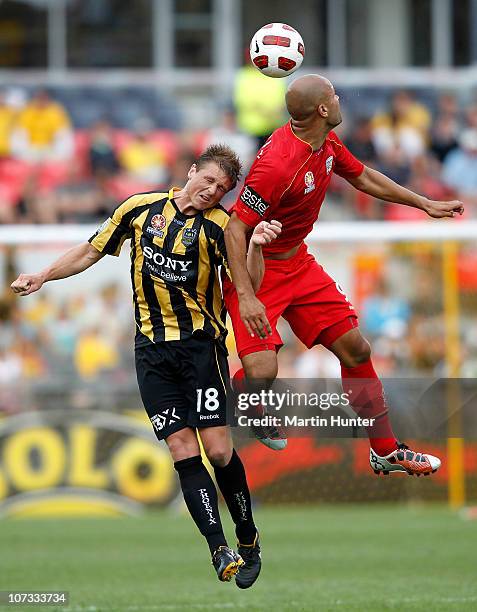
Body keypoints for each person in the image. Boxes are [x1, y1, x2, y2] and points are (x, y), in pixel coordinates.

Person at [11, 144, 282, 586]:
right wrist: (42, 276)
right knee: (182, 450)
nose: (212, 191)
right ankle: (219, 548)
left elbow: (249, 284)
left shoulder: (221, 227)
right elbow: (90, 250)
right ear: (190, 171)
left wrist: (256, 246)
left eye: (222, 188)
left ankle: (248, 536)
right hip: (152, 354)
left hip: (200, 349)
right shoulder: (139, 208)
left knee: (217, 449)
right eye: (208, 180)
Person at [223, 74, 464, 477]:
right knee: (262, 373)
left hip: (299, 263)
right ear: (321, 109)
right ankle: (247, 397)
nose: (339, 99)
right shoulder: (278, 164)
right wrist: (247, 296)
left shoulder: (326, 141)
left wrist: (423, 202)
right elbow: (234, 228)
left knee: (357, 349)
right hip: (258, 265)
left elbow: (363, 176)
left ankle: (385, 450)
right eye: (333, 96)